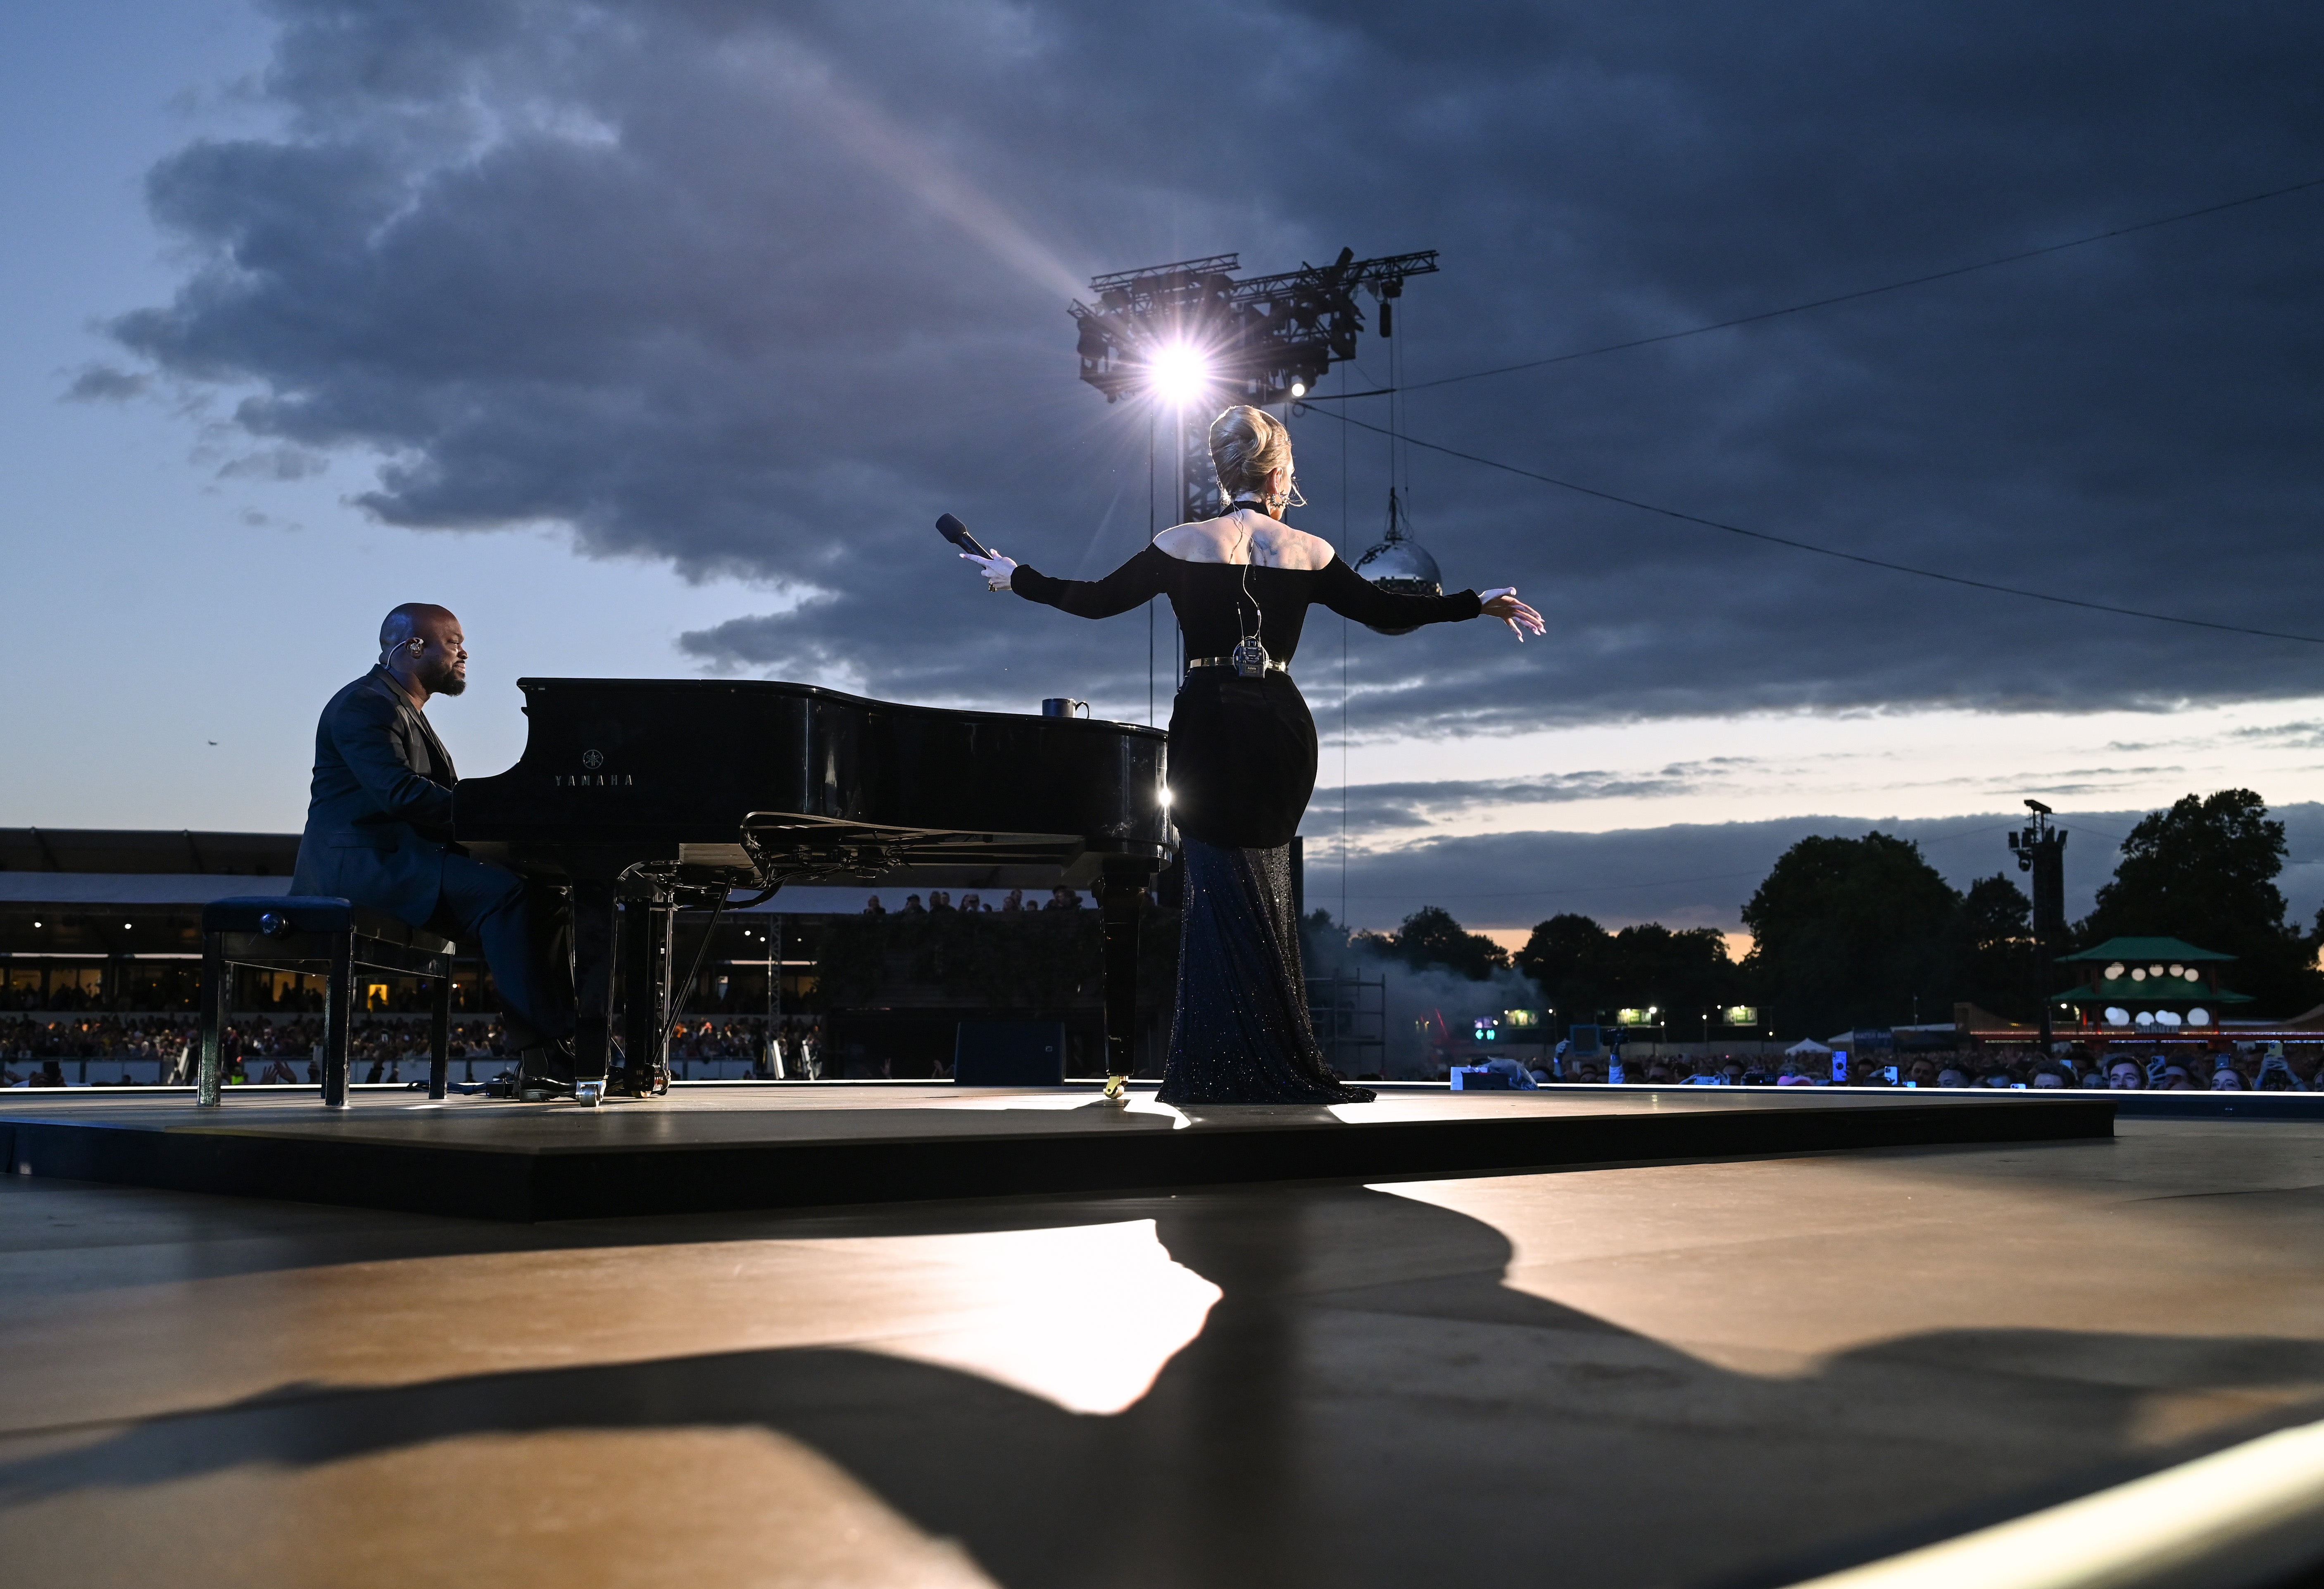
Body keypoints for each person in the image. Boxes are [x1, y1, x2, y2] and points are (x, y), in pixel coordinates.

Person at [957, 406, 1542, 1104]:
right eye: (1291, 468)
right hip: (1282, 728)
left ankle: (1225, 1063)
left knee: (1219, 894)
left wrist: (1014, 574)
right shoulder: (1310, 551)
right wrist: (1474, 604)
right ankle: (1269, 1058)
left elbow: (1093, 600)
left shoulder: (1181, 542)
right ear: (1274, 472)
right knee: (1265, 888)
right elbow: (1388, 612)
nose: (1294, 480)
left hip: (1208, 721)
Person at [290, 603, 576, 1098]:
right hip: (363, 869)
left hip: (400, 860)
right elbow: (398, 793)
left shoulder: (398, 706)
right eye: (453, 641)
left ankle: (570, 1046)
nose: (464, 652)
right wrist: (494, 819)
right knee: (508, 897)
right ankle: (542, 1056)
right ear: (414, 647)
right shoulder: (366, 705)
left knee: (547, 893)